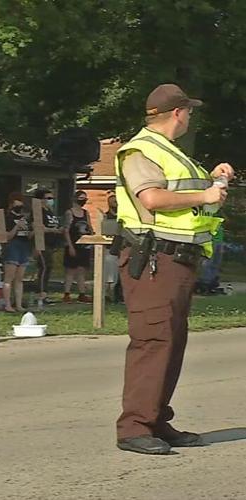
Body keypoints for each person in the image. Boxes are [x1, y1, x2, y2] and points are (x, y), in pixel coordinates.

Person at [114, 83, 234, 455]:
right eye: (189, 112)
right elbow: (151, 198)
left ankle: (155, 419)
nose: (190, 117)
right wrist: (205, 194)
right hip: (153, 259)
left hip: (175, 260)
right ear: (179, 113)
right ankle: (134, 427)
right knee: (153, 341)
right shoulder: (140, 149)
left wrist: (215, 179)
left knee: (170, 342)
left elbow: (191, 202)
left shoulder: (172, 153)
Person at [32, 188, 65, 310]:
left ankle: (44, 293)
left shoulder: (50, 212)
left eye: (52, 198)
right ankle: (41, 294)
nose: (51, 201)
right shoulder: (38, 212)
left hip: (51, 244)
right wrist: (54, 230)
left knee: (49, 267)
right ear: (40, 200)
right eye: (48, 198)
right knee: (44, 268)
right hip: (42, 243)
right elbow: (38, 228)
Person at [1, 193, 31, 313]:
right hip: (12, 246)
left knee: (20, 278)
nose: (19, 207)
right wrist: (17, 226)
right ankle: (7, 304)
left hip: (23, 246)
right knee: (9, 277)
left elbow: (28, 236)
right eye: (16, 205)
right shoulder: (7, 218)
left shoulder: (24, 218)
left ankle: (18, 304)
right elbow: (8, 236)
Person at [63, 190, 94, 303]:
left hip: (84, 246)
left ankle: (82, 293)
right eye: (81, 198)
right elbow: (66, 230)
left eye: (85, 198)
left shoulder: (85, 213)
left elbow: (90, 227)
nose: (83, 200)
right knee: (70, 270)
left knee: (81, 270)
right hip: (73, 244)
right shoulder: (70, 213)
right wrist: (70, 246)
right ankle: (67, 293)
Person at [102, 193, 123, 303]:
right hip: (110, 249)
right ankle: (108, 295)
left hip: (122, 248)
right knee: (110, 275)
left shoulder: (123, 217)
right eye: (114, 202)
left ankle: (119, 296)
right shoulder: (106, 217)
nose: (116, 204)